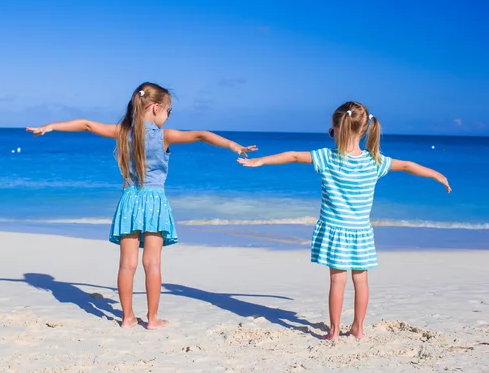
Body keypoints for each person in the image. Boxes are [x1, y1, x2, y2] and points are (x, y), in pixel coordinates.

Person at [27, 82, 257, 329]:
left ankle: (127, 318)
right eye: (169, 110)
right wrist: (234, 146)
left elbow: (86, 124)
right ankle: (153, 319)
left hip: (129, 200)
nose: (168, 116)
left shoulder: (122, 132)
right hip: (155, 201)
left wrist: (51, 126)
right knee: (153, 264)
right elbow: (201, 135)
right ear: (155, 107)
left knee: (127, 264)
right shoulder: (164, 136)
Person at [238, 101, 450, 340]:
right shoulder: (375, 161)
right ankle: (358, 329)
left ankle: (334, 331)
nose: (331, 134)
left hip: (335, 232)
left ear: (340, 129)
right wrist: (436, 174)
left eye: (331, 130)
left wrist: (260, 161)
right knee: (361, 280)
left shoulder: (327, 157)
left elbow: (294, 156)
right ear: (364, 130)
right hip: (361, 233)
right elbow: (408, 165)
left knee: (337, 281)